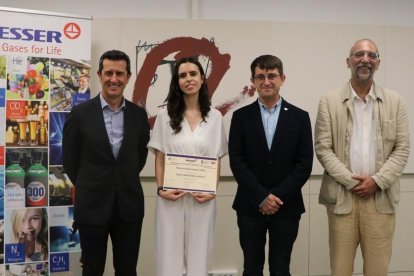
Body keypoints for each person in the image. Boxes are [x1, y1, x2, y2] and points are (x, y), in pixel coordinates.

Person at [314, 39, 410, 276]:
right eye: (359, 54)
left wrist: (376, 181)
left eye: (371, 55)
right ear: (348, 61)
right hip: (342, 198)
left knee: (378, 270)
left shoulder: (396, 102)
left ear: (378, 63)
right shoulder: (329, 100)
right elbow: (323, 148)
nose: (365, 59)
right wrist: (351, 181)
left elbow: (402, 148)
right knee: (340, 269)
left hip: (380, 199)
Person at [62, 49, 150, 276]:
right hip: (92, 207)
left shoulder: (139, 116)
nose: (114, 79)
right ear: (99, 75)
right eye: (109, 73)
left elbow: (138, 158)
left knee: (127, 270)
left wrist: (120, 180)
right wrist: (93, 183)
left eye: (119, 74)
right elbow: (71, 161)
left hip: (128, 208)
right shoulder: (80, 114)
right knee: (92, 271)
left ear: (128, 77)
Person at [229, 55, 313, 276]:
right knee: (252, 267)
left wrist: (276, 197)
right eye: (260, 76)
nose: (266, 81)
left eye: (272, 76)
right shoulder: (240, 117)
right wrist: (261, 197)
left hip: (287, 207)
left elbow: (304, 164)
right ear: (253, 80)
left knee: (280, 268)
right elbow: (237, 161)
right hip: (250, 206)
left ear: (282, 78)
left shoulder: (300, 117)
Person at [148, 56, 228, 276]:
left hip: (202, 199)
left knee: (199, 257)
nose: (188, 79)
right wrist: (162, 189)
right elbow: (160, 157)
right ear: (177, 82)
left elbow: (217, 157)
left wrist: (212, 190)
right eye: (182, 75)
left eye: (193, 74)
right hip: (170, 199)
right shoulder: (165, 116)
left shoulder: (215, 117)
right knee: (169, 258)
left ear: (202, 79)